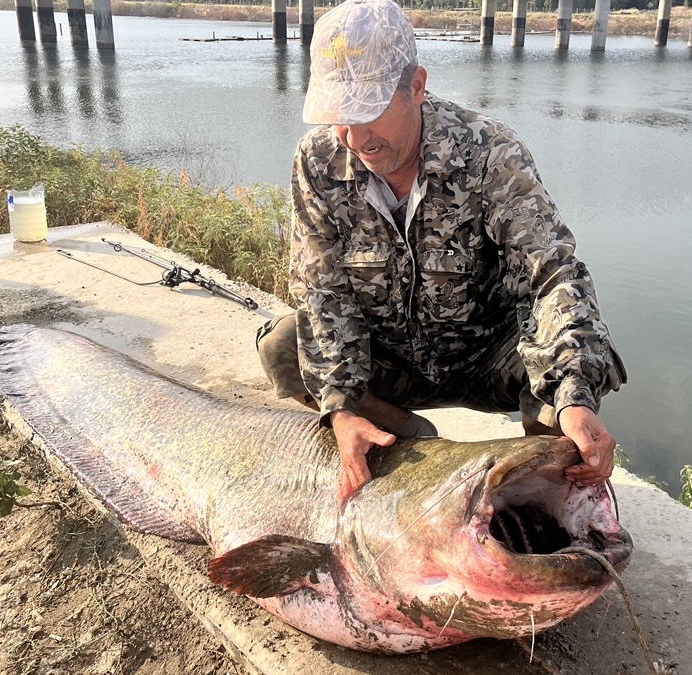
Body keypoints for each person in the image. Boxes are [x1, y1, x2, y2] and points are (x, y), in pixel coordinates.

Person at [257, 0, 626, 503]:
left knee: (578, 359)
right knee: (282, 346)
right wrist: (342, 410)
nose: (355, 137)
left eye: (368, 110)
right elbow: (323, 293)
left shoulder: (489, 151)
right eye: (340, 115)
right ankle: (400, 434)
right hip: (388, 361)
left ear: (417, 86)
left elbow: (553, 276)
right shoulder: (319, 162)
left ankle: (539, 490)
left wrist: (573, 397)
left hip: (487, 358)